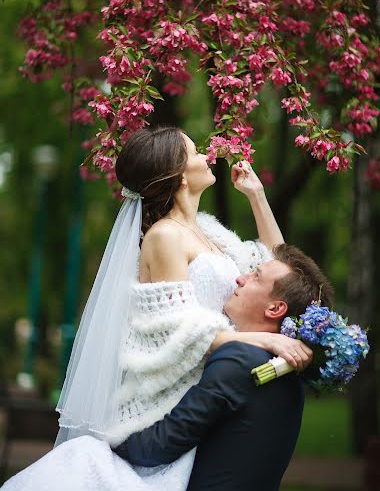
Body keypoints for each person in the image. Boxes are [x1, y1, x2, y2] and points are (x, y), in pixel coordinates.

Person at [3, 126, 314, 491]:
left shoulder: (208, 231)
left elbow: (281, 270)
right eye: (196, 152)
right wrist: (262, 342)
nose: (207, 156)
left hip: (214, 384)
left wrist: (256, 196)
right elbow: (178, 327)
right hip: (171, 399)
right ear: (181, 175)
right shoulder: (164, 236)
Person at [114, 244, 334, 491]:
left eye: (256, 276)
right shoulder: (291, 375)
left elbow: (159, 445)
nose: (240, 278)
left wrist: (110, 439)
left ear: (275, 309)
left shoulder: (238, 360)